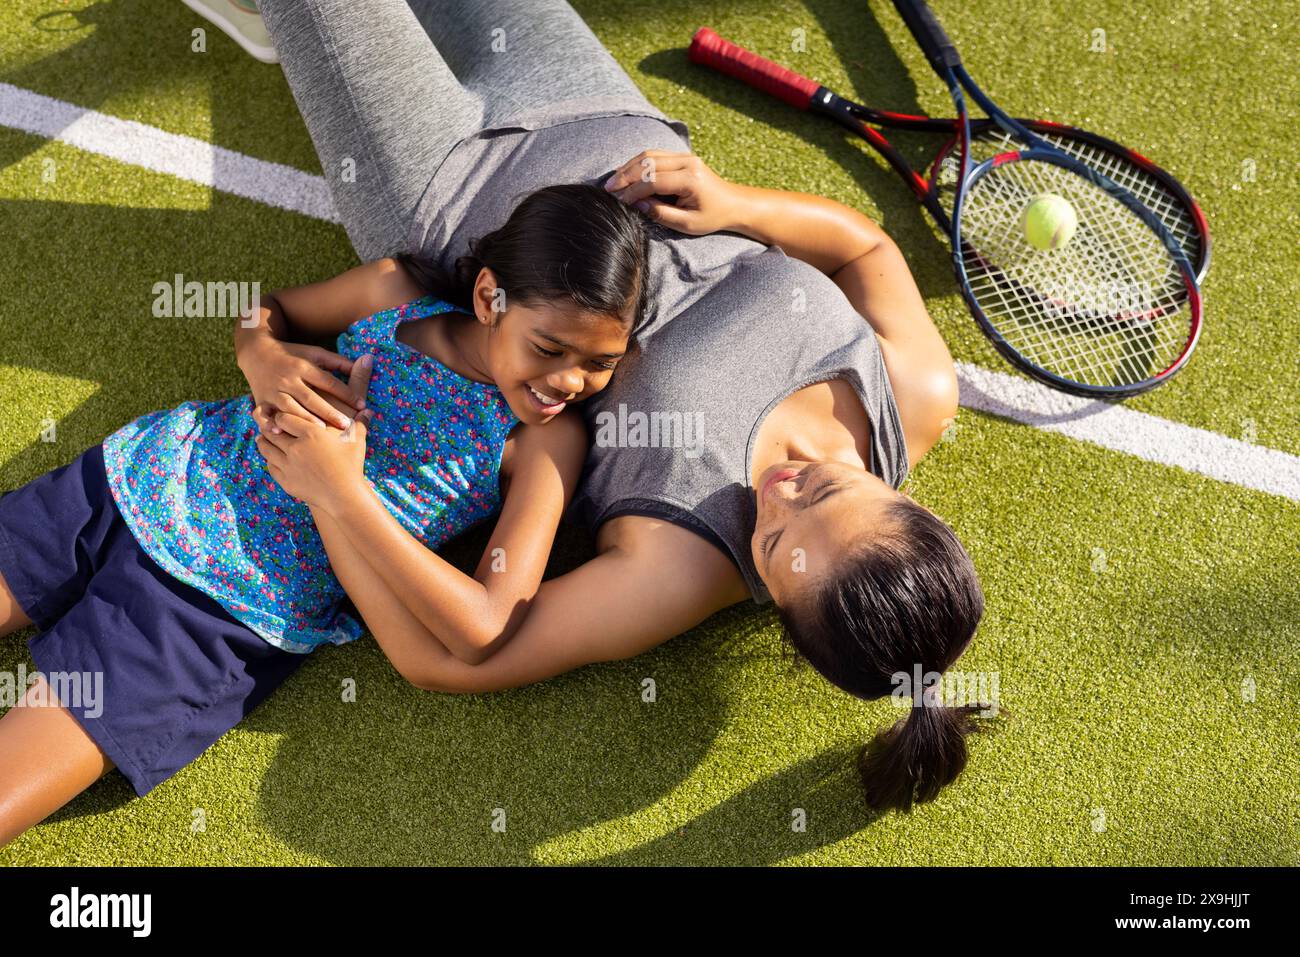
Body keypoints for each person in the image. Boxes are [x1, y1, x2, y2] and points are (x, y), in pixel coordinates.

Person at [247, 0, 997, 816]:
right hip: (592, 103)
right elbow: (866, 249)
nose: (780, 488)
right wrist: (734, 203)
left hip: (442, 188)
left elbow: (456, 658)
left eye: (776, 541)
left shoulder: (679, 569)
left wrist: (335, 495)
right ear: (901, 494)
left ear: (777, 602)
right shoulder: (916, 394)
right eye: (826, 488)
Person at [0, 183, 650, 847]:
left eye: (599, 363)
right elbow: (270, 312)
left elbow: (483, 624)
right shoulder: (393, 293)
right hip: (137, 479)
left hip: (212, 619)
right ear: (490, 298)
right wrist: (261, 355)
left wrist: (339, 490)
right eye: (550, 348)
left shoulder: (545, 441)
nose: (570, 381)